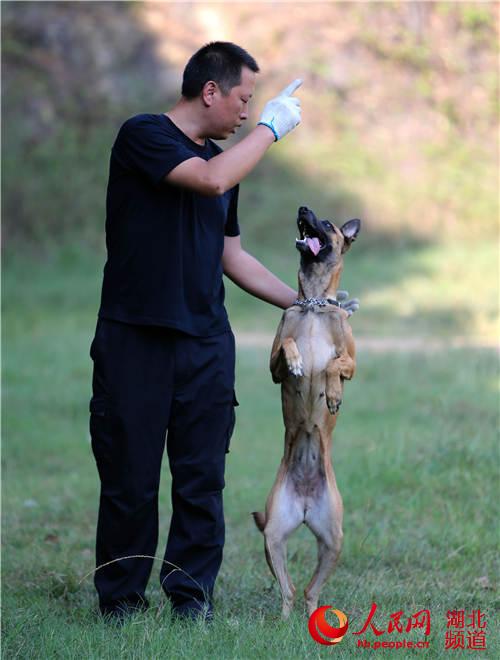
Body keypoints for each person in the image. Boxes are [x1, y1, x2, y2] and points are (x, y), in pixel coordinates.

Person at [89, 41, 356, 623]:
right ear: (210, 91)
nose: (246, 111)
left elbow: (231, 256)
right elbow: (208, 181)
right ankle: (122, 604)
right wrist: (270, 131)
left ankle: (192, 600)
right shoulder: (144, 136)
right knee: (130, 479)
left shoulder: (222, 164)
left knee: (201, 480)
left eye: (254, 104)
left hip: (206, 343)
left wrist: (313, 304)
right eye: (244, 98)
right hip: (136, 338)